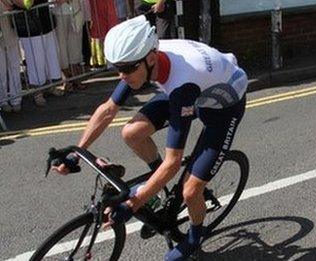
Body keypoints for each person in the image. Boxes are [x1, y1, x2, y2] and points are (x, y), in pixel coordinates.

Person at [52, 13, 248, 261]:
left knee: (190, 191)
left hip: (223, 106)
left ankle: (194, 236)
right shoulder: (140, 59)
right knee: (131, 132)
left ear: (151, 59)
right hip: (195, 89)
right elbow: (108, 110)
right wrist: (75, 153)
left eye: (125, 70)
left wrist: (132, 204)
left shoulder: (180, 83)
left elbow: (173, 162)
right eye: (116, 69)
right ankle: (162, 190)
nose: (120, 76)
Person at [10, 0, 64, 106]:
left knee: (50, 56)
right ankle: (37, 93)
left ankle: (50, 86)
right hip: (28, 22)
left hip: (44, 21)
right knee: (35, 59)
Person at [53, 0, 87, 92]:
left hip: (75, 12)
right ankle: (66, 79)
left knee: (75, 46)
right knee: (61, 47)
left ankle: (75, 76)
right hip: (59, 13)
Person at [0, 0, 22, 112]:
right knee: (1, 70)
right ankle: (3, 100)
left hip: (9, 27)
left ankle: (16, 99)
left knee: (14, 65)